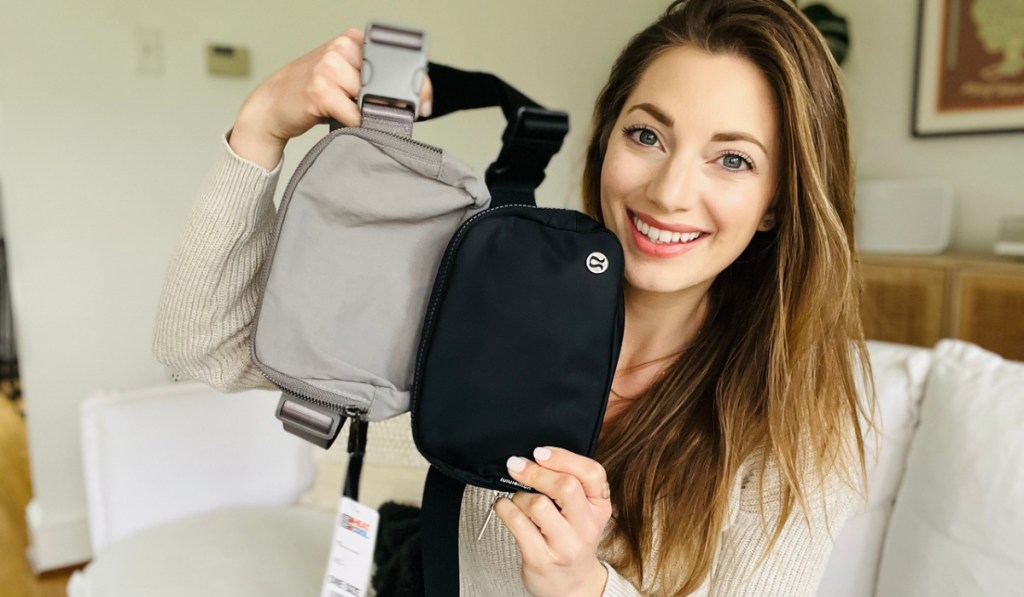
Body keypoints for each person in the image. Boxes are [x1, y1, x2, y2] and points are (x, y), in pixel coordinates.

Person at [154, 0, 874, 594]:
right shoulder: (491, 292)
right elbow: (205, 346)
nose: (669, 191)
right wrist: (261, 128)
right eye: (647, 134)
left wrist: (581, 585)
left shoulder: (802, 421)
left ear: (778, 202)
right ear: (603, 143)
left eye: (733, 158)